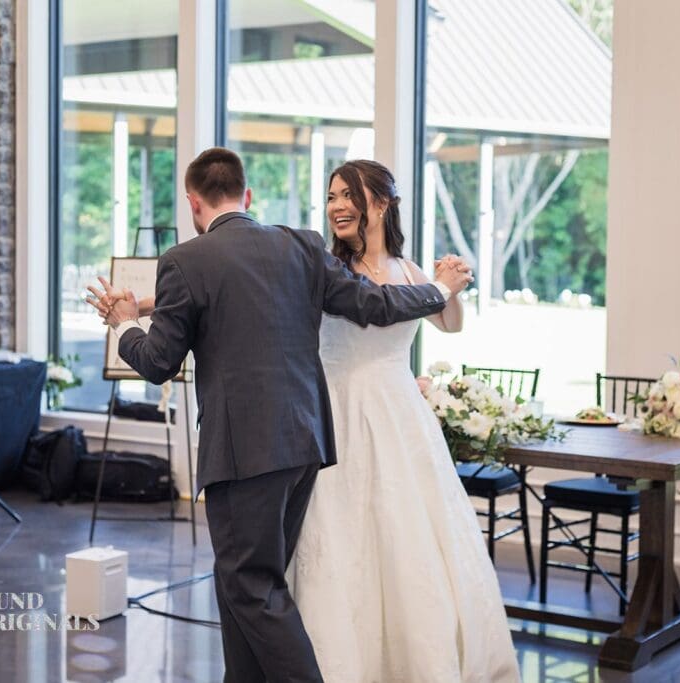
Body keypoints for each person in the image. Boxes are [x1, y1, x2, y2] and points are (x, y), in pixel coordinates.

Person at [85, 147, 473, 683]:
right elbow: (377, 307)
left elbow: (156, 363)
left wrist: (125, 323)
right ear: (246, 196)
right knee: (242, 581)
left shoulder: (185, 259)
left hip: (247, 452)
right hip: (306, 442)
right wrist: (438, 290)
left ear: (193, 203)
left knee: (252, 585)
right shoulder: (299, 245)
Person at [287, 159, 521, 682]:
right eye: (331, 197)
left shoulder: (410, 271)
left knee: (405, 532)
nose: (338, 206)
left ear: (383, 202)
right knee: (341, 530)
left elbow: (450, 324)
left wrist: (453, 283)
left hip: (398, 416)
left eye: (349, 194)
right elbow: (377, 309)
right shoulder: (328, 269)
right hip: (338, 409)